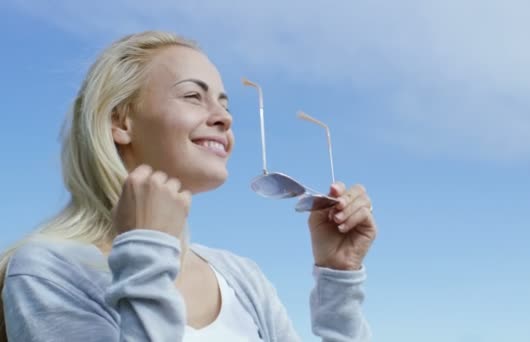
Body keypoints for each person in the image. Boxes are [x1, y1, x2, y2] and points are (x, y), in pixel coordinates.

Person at [0, 31, 377, 342]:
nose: (224, 118)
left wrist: (338, 276)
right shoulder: (47, 271)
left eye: (225, 104)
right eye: (193, 96)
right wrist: (147, 251)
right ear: (121, 121)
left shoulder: (242, 278)